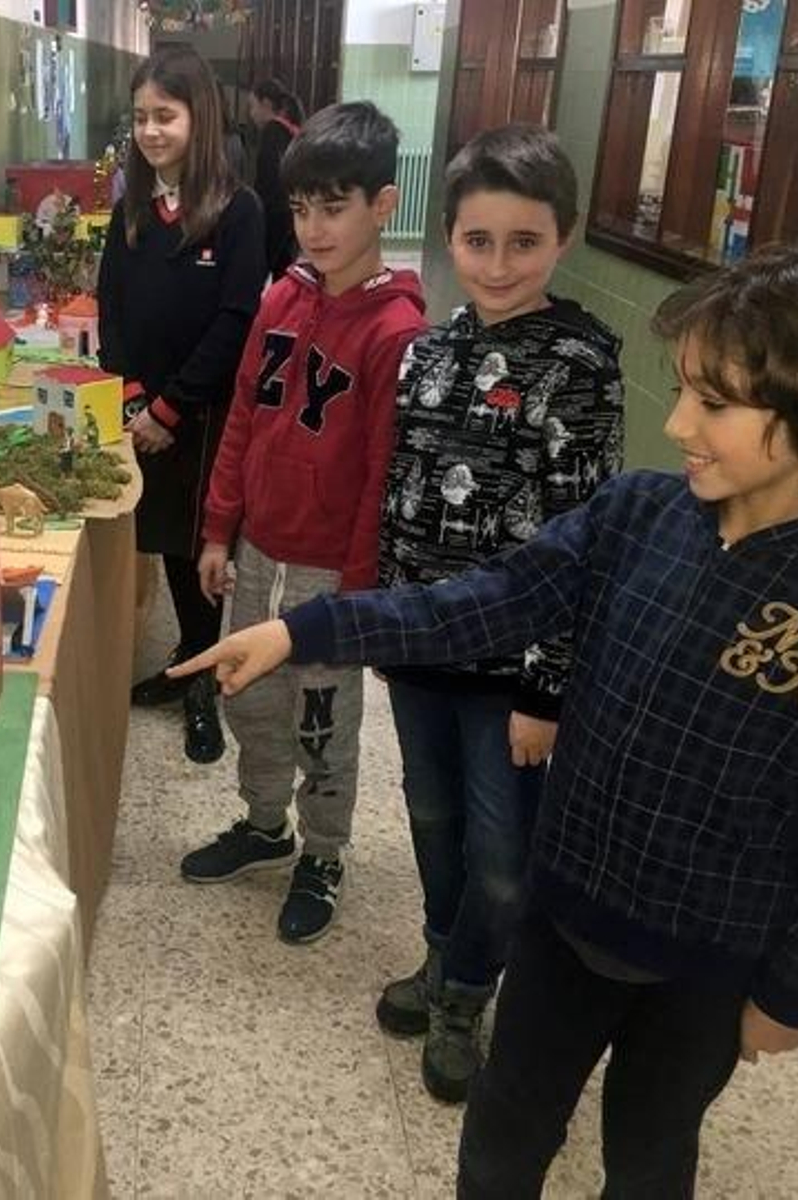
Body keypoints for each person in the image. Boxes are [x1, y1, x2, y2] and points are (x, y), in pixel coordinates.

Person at [170, 242, 798, 1196]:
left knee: (650, 1156)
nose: (677, 423)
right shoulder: (638, 516)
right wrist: (306, 628)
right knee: (504, 1131)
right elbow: (477, 603)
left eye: (714, 403)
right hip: (565, 909)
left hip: (708, 966)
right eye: (684, 391)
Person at [374, 124, 624, 1103]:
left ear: (566, 237)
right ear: (449, 237)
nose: (498, 264)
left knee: (504, 855)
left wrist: (547, 691)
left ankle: (468, 988)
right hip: (420, 647)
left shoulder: (581, 361)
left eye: (524, 242)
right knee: (431, 822)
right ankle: (445, 957)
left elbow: (583, 537)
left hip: (512, 673)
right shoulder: (431, 351)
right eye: (478, 241)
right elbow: (404, 489)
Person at [181, 102, 427, 944]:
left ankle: (323, 852)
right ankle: (263, 825)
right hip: (257, 551)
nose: (314, 229)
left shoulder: (399, 333)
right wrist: (219, 530)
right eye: (301, 209)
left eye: (336, 208)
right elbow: (242, 416)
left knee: (322, 722)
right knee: (250, 700)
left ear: (383, 205)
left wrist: (358, 600)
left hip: (330, 575)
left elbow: (382, 481)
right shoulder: (281, 299)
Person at [98, 45, 267, 764]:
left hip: (205, 418)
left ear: (199, 116)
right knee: (167, 539)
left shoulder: (237, 210)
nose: (151, 131)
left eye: (165, 115)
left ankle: (205, 678)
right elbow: (112, 306)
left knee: (204, 549)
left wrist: (169, 411)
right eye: (140, 117)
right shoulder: (133, 209)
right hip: (145, 414)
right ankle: (189, 658)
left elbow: (236, 321)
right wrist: (133, 395)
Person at [248, 78, 305, 279]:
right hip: (292, 214)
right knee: (283, 274)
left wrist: (254, 215)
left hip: (274, 216)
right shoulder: (292, 131)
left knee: (255, 275)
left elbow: (267, 180)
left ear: (266, 104)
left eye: (253, 106)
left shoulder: (272, 131)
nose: (251, 113)